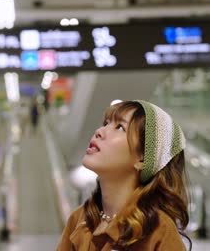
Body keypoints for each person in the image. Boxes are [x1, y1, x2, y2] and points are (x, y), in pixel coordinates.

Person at [56, 100, 191, 250]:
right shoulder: (81, 219)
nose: (100, 131)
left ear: (143, 158)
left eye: (120, 127)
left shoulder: (158, 231)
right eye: (106, 123)